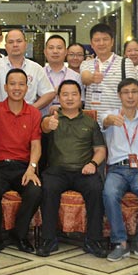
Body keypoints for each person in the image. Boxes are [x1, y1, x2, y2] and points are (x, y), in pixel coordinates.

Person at [36, 80, 107, 258]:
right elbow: (44, 127)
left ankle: (93, 240)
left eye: (74, 94)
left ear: (80, 97)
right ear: (59, 98)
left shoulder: (90, 122)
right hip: (56, 171)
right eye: (65, 94)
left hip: (84, 171)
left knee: (96, 189)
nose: (69, 98)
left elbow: (100, 150)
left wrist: (93, 164)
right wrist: (47, 124)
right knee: (48, 188)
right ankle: (48, 240)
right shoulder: (52, 119)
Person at [0, 69, 42, 257]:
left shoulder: (33, 113)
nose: (17, 88)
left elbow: (36, 145)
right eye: (13, 84)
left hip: (23, 167)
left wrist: (32, 168)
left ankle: (19, 234)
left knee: (35, 190)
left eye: (21, 84)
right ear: (5, 87)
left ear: (27, 88)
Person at [100, 78, 138, 262]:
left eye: (134, 92)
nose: (130, 96)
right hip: (117, 169)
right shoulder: (111, 115)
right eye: (126, 92)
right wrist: (111, 120)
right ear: (119, 95)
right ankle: (120, 243)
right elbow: (105, 122)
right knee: (109, 193)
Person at [0, 29, 55, 109]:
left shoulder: (36, 68)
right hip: (1, 114)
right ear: (6, 46)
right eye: (11, 42)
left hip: (27, 115)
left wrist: (31, 109)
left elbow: (49, 93)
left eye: (19, 41)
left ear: (25, 44)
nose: (15, 45)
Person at [81, 23, 136, 117]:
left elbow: (132, 91)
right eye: (97, 40)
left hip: (117, 120)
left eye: (105, 39)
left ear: (112, 42)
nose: (101, 43)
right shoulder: (86, 64)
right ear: (92, 44)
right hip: (92, 121)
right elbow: (84, 78)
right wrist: (92, 78)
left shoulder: (125, 63)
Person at [42, 35, 81, 115]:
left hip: (68, 120)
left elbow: (80, 103)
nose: (55, 51)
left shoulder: (75, 76)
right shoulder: (39, 74)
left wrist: (61, 108)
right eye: (51, 48)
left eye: (59, 48)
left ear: (66, 52)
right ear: (45, 52)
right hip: (42, 119)